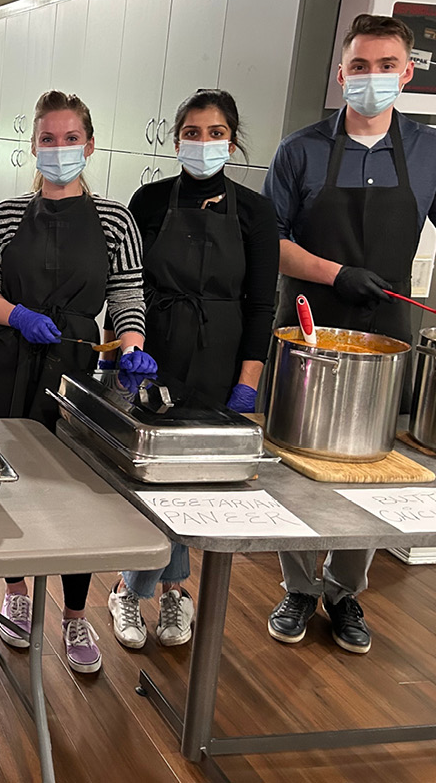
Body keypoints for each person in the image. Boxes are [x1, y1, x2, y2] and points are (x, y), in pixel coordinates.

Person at [0, 90, 156, 674]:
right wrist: (16, 314)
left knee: (77, 493)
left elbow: (126, 295)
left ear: (89, 146)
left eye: (70, 138)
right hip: (3, 361)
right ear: (33, 147)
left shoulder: (116, 220)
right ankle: (17, 590)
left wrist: (130, 346)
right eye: (48, 139)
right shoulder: (6, 216)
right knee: (8, 481)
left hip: (75, 368)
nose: (59, 149)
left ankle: (75, 615)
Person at [262, 13, 436, 655]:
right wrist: (335, 273)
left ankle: (345, 590)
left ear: (407, 72)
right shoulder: (300, 149)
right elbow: (270, 243)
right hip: (309, 322)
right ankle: (298, 585)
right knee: (299, 461)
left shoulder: (428, 149)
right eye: (359, 66)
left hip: (387, 326)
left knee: (371, 463)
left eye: (386, 65)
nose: (372, 77)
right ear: (341, 74)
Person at [108, 90, 279, 651]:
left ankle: (164, 587)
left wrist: (248, 379)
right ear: (175, 136)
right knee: (149, 475)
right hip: (153, 348)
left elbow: (260, 304)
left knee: (193, 480)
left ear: (232, 140)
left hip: (219, 354)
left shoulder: (255, 213)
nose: (203, 143)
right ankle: (139, 586)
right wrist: (127, 347)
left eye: (215, 132)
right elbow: (126, 282)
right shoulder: (149, 200)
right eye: (192, 131)